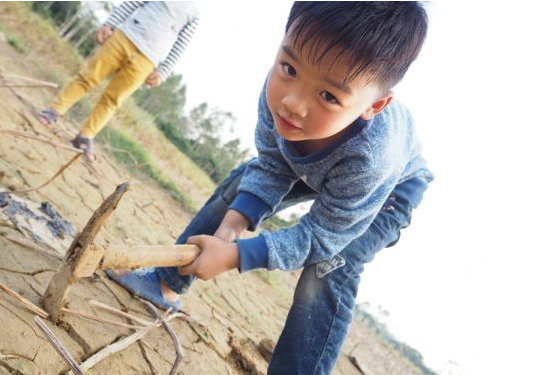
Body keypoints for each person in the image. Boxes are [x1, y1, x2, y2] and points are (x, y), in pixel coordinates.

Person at [108, 2, 433, 373]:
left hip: (389, 191)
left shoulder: (372, 157)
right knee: (239, 186)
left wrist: (235, 255)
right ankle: (167, 282)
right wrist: (230, 229)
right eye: (289, 68)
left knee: (329, 267)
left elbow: (322, 237)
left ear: (375, 105)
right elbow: (273, 165)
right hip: (315, 159)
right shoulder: (279, 96)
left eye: (328, 96)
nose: (293, 103)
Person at [37, 1, 200, 161]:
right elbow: (131, 3)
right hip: (125, 37)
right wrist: (110, 24)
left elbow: (180, 45)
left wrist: (163, 71)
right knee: (88, 77)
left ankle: (85, 136)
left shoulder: (194, 14)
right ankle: (54, 111)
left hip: (147, 60)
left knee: (113, 99)